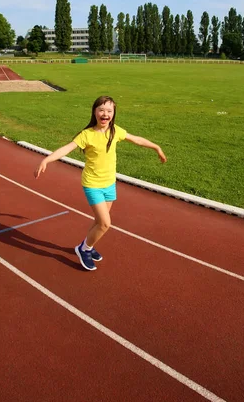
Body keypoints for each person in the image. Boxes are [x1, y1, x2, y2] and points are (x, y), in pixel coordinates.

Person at [34, 95, 167, 271]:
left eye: (109, 111)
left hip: (109, 184)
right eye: (101, 110)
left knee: (99, 221)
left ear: (113, 114)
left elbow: (137, 139)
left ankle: (86, 244)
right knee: (105, 223)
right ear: (95, 112)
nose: (105, 114)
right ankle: (84, 249)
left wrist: (156, 147)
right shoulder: (86, 135)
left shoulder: (115, 131)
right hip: (92, 184)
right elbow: (67, 148)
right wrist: (47, 160)